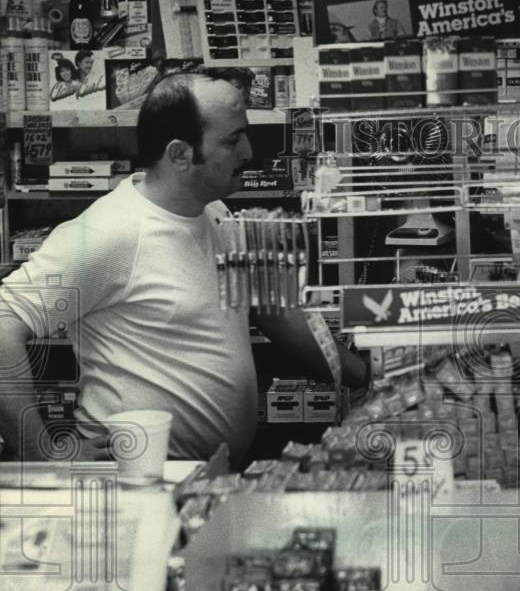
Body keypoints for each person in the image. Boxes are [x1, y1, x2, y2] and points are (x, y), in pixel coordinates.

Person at [0, 71, 367, 466]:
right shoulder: (110, 233)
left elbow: (272, 311)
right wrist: (40, 451)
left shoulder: (213, 212)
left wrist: (363, 374)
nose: (247, 152)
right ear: (179, 154)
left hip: (204, 478)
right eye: (232, 139)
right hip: (139, 485)